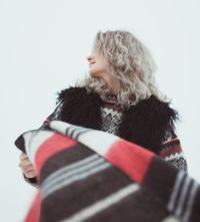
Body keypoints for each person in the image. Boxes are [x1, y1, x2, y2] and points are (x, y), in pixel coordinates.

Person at [19, 30, 188, 187]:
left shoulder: (155, 118)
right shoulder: (74, 105)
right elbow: (40, 149)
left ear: (119, 54)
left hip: (130, 215)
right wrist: (31, 169)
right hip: (76, 210)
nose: (89, 57)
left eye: (99, 49)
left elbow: (177, 180)